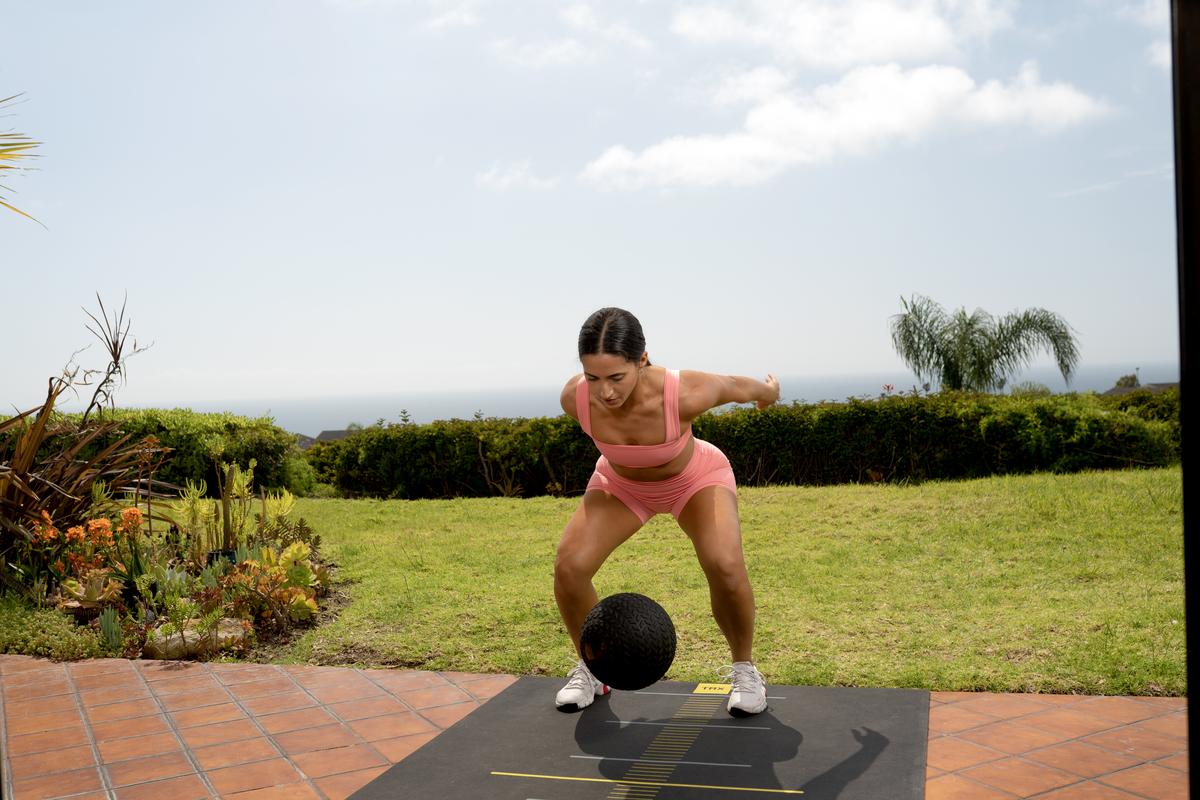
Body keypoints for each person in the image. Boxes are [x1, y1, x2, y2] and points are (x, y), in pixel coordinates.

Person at [554, 307, 781, 716]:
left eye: (616, 377)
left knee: (724, 564)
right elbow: (594, 401)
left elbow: (735, 386)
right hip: (621, 486)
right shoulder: (575, 398)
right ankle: (592, 671)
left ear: (642, 360)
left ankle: (745, 669)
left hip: (694, 479)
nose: (604, 392)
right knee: (570, 568)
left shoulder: (683, 392)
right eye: (593, 377)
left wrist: (769, 393)